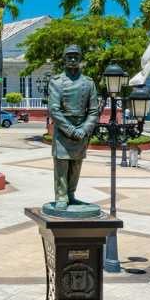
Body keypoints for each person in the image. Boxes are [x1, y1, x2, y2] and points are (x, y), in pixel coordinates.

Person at [47, 45, 100, 210]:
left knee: (76, 165)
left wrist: (84, 129)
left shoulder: (88, 83)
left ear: (80, 59)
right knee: (62, 165)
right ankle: (61, 196)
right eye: (69, 56)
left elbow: (93, 110)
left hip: (81, 130)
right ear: (64, 58)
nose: (72, 59)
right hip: (63, 130)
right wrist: (70, 129)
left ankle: (71, 194)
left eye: (75, 56)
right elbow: (54, 109)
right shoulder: (56, 82)